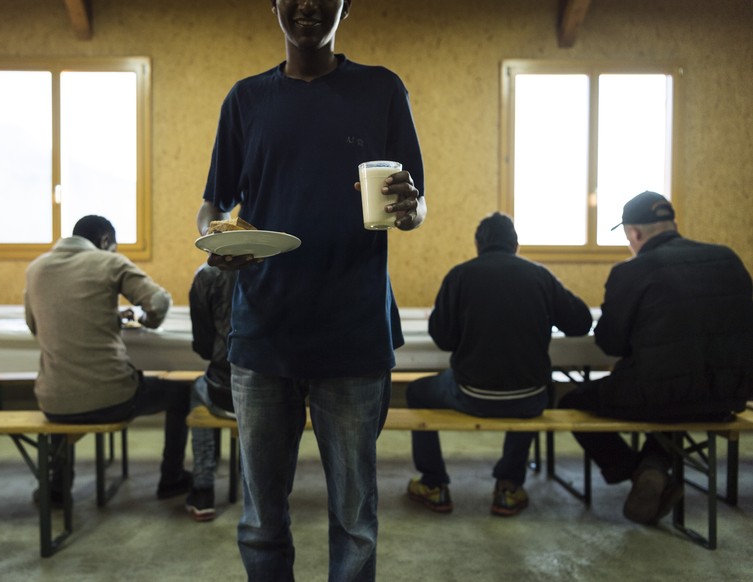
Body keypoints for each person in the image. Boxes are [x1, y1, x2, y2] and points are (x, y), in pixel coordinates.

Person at [196, 0, 426, 579]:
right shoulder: (247, 99)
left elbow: (415, 202)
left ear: (346, 5)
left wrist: (411, 208)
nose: (308, 5)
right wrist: (218, 239)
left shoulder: (382, 90)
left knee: (355, 522)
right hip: (264, 335)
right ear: (273, 4)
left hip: (354, 335)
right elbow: (212, 205)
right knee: (261, 521)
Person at [559, 191, 753, 525]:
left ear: (634, 233)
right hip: (727, 396)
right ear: (672, 224)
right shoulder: (727, 259)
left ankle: (636, 471)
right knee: (682, 402)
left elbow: (610, 343)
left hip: (656, 395)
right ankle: (652, 466)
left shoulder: (632, 272)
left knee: (571, 401)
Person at [405, 212, 592, 517]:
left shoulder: (460, 275)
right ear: (516, 244)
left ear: (478, 244)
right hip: (529, 396)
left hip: (470, 392)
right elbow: (581, 322)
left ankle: (434, 483)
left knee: (415, 393)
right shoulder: (539, 275)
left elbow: (443, 339)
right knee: (530, 389)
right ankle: (508, 486)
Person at [24, 215, 191, 503]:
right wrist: (147, 321)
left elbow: (34, 325)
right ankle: (172, 477)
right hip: (113, 400)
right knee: (183, 393)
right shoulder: (109, 262)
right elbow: (159, 301)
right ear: (104, 242)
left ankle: (57, 487)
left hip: (53, 403)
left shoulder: (36, 269)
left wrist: (107, 318)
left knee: (64, 381)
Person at [185, 263, 236, 522]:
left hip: (225, 390)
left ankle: (204, 488)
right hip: (276, 385)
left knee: (197, 390)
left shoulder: (208, 275)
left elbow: (204, 346)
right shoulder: (274, 263)